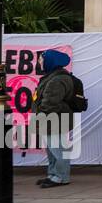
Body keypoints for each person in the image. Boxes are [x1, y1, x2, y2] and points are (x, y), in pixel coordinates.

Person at [33, 49, 77, 189]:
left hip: (54, 119)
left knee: (58, 150)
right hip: (52, 119)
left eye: (41, 59)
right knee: (52, 150)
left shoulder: (57, 79)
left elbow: (50, 102)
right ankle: (53, 174)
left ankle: (61, 177)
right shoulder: (54, 76)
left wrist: (40, 113)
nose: (39, 62)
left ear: (50, 61)